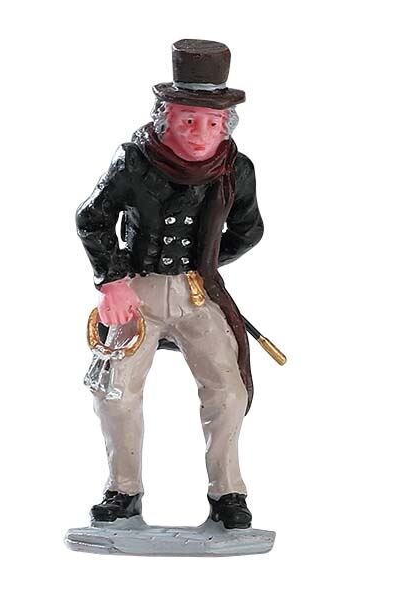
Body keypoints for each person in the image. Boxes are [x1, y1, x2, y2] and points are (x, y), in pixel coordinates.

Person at [75, 39, 264, 529]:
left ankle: (228, 491)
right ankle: (123, 489)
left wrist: (206, 263)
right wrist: (113, 282)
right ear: (165, 119)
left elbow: (248, 230)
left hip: (196, 293)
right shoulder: (134, 161)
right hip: (135, 292)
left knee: (228, 389)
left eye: (213, 123)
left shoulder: (234, 170)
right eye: (188, 121)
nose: (200, 134)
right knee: (115, 390)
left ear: (226, 125)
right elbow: (92, 218)